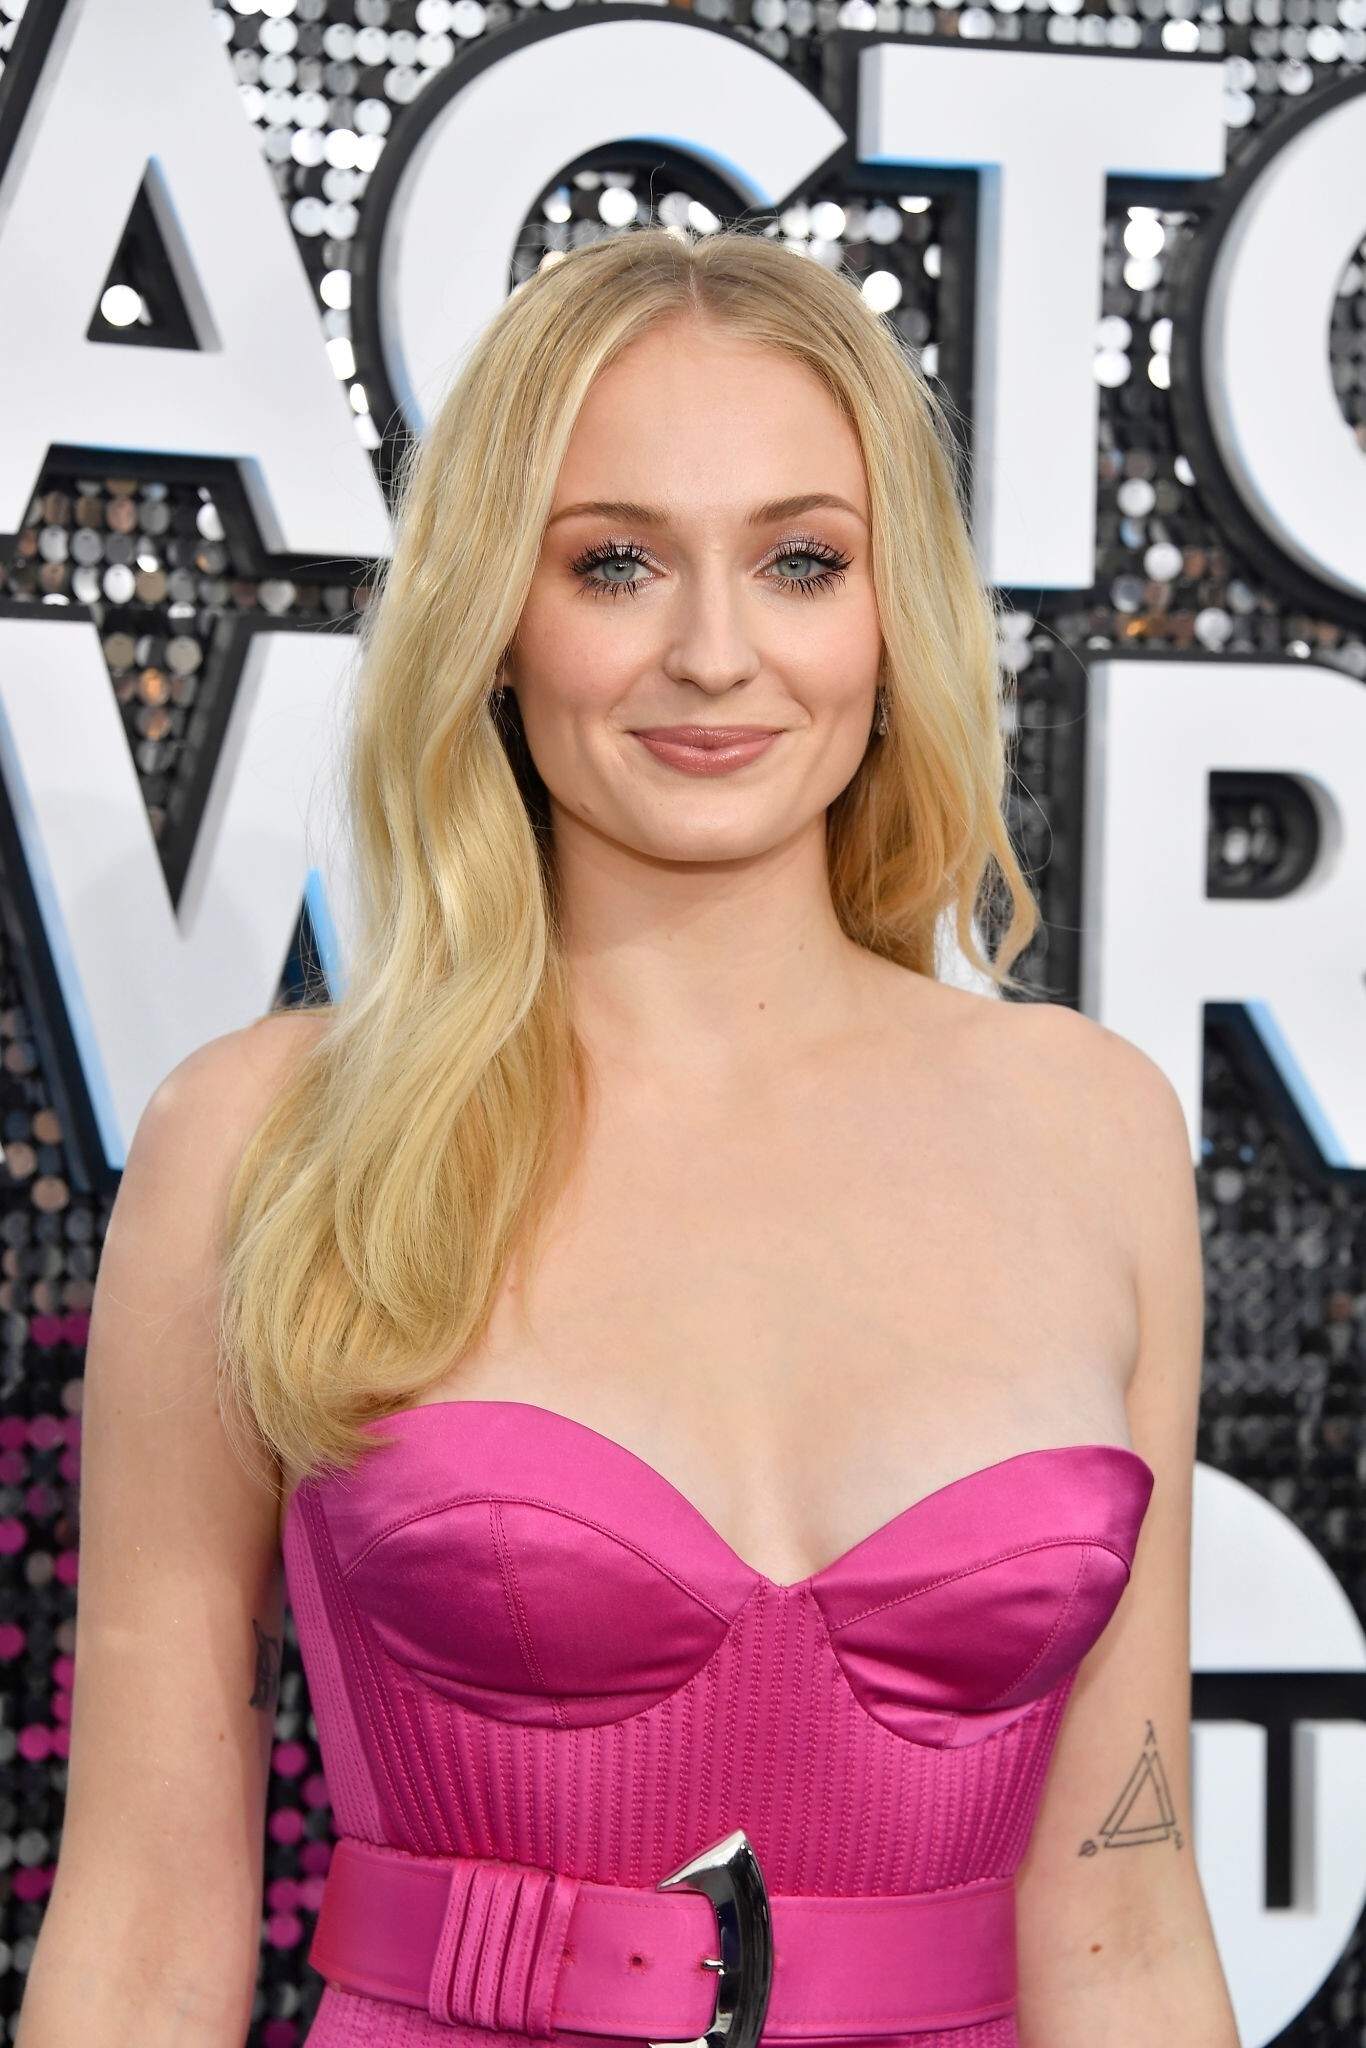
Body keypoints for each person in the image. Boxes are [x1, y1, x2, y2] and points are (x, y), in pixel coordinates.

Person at [19, 225, 1238, 2048]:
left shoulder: (1091, 1127)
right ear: (496, 624)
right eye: (614, 563)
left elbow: (1124, 1927)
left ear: (891, 613)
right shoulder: (267, 1138)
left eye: (801, 560)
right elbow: (142, 1926)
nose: (714, 653)